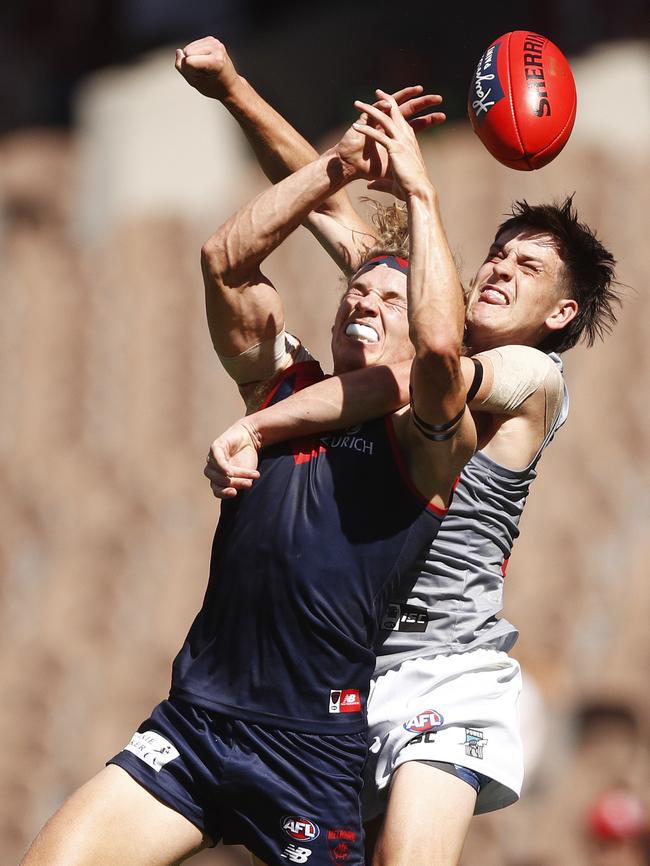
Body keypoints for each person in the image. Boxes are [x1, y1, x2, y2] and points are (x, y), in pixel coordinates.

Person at [178, 37, 620, 866]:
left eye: (527, 269)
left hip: (446, 670)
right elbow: (319, 196)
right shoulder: (424, 299)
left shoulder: (532, 375)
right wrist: (234, 87)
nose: (498, 270)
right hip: (344, 668)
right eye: (497, 254)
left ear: (559, 316)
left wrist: (261, 424)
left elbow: (430, 372)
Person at [20, 80, 477, 866]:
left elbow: (434, 356)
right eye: (355, 289)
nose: (362, 300)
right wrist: (335, 168)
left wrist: (420, 192)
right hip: (195, 724)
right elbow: (224, 263)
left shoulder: (429, 434)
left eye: (391, 296)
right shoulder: (282, 383)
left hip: (308, 750)